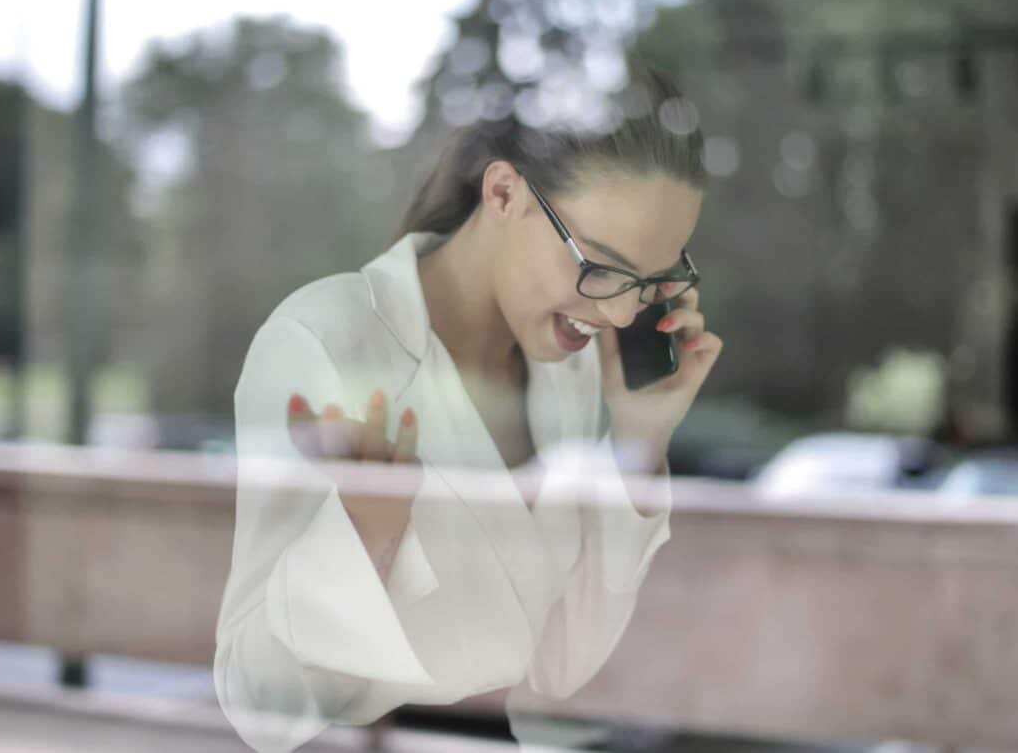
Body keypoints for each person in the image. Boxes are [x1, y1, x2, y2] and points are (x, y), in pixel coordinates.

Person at [212, 71, 723, 753]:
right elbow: (258, 707)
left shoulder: (569, 372)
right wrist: (365, 538)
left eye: (655, 280)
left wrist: (640, 438)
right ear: (505, 192)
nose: (623, 312)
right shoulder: (325, 340)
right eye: (601, 266)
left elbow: (563, 670)